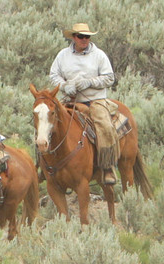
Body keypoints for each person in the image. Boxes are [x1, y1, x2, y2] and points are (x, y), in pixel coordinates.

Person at [50, 23, 118, 185]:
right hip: (69, 100)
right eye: (81, 36)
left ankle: (108, 166)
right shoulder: (62, 55)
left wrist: (90, 82)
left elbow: (109, 78)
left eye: (87, 36)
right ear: (73, 37)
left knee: (105, 126)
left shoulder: (99, 55)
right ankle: (44, 164)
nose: (84, 40)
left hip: (94, 100)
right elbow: (54, 75)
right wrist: (65, 86)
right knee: (47, 122)